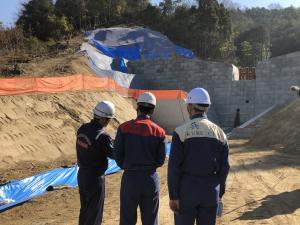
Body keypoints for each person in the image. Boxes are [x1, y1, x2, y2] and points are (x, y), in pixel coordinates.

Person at [168, 87, 230, 225]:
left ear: (190, 106)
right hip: (210, 190)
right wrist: (219, 193)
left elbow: (174, 168)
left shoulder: (180, 132)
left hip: (186, 191)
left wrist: (174, 196)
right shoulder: (220, 133)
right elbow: (225, 168)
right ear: (206, 108)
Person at [114, 92, 166, 225]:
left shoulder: (124, 128)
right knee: (150, 220)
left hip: (130, 178)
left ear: (137, 107)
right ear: (153, 110)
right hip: (150, 179)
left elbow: (117, 155)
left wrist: (126, 166)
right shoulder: (159, 131)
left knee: (127, 219)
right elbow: (161, 160)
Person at [76, 100, 115, 225]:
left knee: (85, 210)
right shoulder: (103, 136)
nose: (108, 122)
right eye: (108, 119)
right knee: (94, 214)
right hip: (95, 178)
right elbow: (114, 154)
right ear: (103, 119)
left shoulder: (82, 128)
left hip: (82, 175)